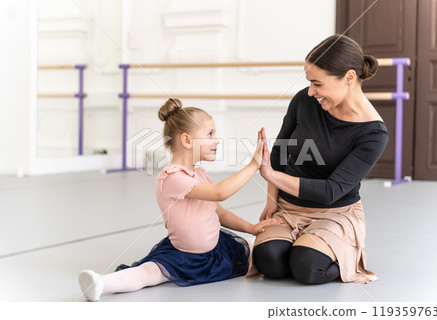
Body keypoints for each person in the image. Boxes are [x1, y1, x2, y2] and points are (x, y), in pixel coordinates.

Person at [78, 98, 281, 301]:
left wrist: (252, 228)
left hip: (217, 249)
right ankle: (101, 283)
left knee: (257, 247)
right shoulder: (172, 177)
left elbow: (219, 212)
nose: (217, 140)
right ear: (186, 140)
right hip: (183, 254)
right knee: (149, 273)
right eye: (210, 134)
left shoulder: (200, 174)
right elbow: (221, 192)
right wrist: (254, 164)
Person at [252, 34, 389, 285]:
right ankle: (304, 243)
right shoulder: (304, 101)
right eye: (309, 82)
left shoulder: (373, 133)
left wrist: (272, 175)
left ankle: (344, 250)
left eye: (318, 84)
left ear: (349, 77)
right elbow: (281, 151)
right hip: (288, 208)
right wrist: (273, 197)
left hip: (334, 212)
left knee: (307, 267)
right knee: (269, 260)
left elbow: (331, 191)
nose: (311, 91)